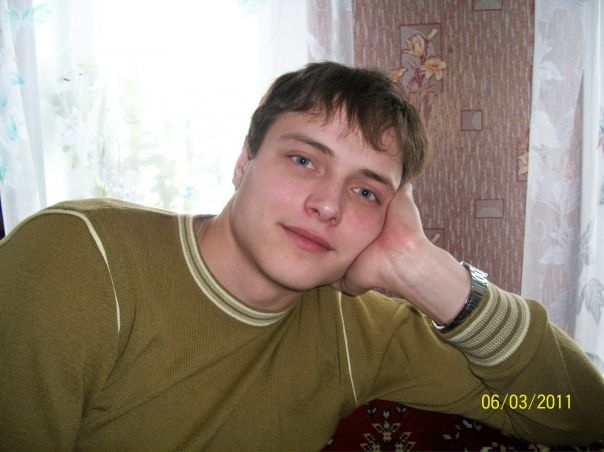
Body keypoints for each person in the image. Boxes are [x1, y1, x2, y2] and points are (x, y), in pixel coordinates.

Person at [1, 61, 603, 452]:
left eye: (366, 191)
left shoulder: (362, 333)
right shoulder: (79, 260)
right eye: (304, 159)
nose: (328, 204)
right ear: (244, 161)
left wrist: (432, 275)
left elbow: (570, 409)